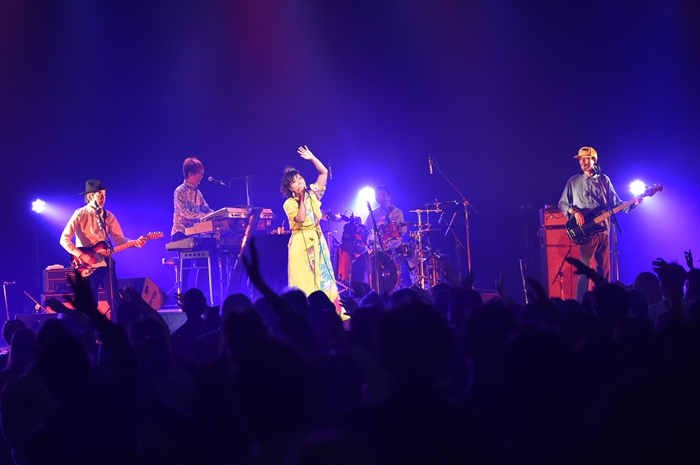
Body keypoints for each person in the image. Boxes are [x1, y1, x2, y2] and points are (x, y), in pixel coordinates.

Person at [558, 147, 639, 301]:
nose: (582, 162)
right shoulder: (573, 181)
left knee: (605, 269)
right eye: (580, 159)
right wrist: (574, 212)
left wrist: (634, 203)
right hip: (585, 232)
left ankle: (605, 301)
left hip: (604, 230)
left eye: (586, 158)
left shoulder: (604, 180)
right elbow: (562, 204)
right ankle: (581, 302)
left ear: (594, 160)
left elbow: (616, 204)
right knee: (585, 268)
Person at [60, 179, 146, 320]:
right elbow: (64, 239)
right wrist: (82, 255)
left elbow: (119, 239)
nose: (102, 198)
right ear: (90, 196)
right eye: (99, 194)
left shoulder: (108, 216)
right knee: (90, 303)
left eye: (104, 195)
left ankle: (117, 328)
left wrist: (134, 242)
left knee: (115, 300)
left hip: (106, 263)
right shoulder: (80, 214)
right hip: (86, 266)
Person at [281, 146, 342, 314]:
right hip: (300, 244)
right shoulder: (289, 203)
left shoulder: (313, 195)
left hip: (317, 239)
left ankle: (330, 311)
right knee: (303, 279)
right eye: (295, 182)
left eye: (300, 178)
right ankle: (304, 314)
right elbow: (300, 219)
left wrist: (312, 157)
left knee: (324, 277)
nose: (300, 182)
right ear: (290, 188)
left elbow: (323, 173)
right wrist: (302, 199)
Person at [171, 157, 214, 292]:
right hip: (180, 234)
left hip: (194, 235)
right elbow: (185, 213)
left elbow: (207, 209)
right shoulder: (180, 191)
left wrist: (217, 215)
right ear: (190, 174)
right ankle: (183, 298)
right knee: (186, 268)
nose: (202, 177)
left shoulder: (198, 193)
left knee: (205, 263)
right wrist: (204, 216)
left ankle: (199, 295)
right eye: (200, 174)